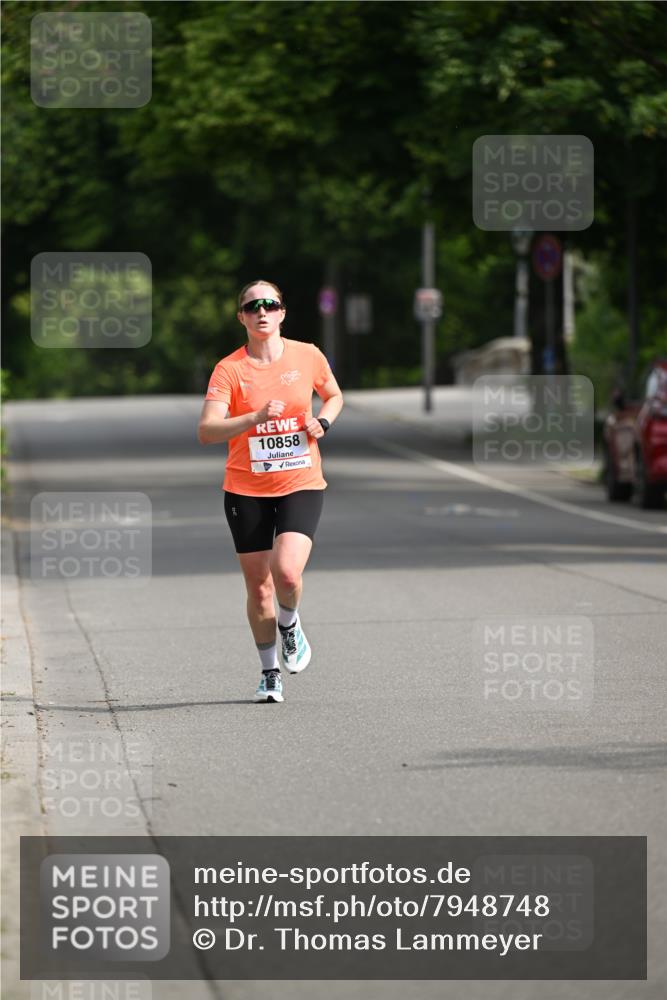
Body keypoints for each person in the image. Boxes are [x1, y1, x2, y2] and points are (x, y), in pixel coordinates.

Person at [198, 280, 344, 703]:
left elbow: (333, 395)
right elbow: (207, 430)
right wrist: (253, 418)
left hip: (300, 480)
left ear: (282, 312)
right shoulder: (230, 370)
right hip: (246, 489)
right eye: (252, 306)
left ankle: (290, 623)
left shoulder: (308, 355)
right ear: (241, 316)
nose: (262, 311)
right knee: (259, 587)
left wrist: (324, 421)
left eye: (270, 304)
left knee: (286, 573)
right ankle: (269, 673)